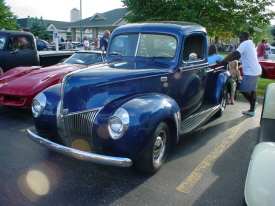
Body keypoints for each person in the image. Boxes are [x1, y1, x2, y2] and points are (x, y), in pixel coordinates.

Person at [217, 32, 261, 116]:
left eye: (241, 37)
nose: (240, 39)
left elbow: (235, 53)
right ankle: (252, 110)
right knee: (252, 90)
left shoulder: (245, 43)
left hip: (251, 71)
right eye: (239, 37)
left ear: (246, 37)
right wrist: (228, 60)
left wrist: (223, 61)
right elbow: (237, 56)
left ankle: (253, 104)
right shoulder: (250, 43)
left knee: (243, 89)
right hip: (256, 70)